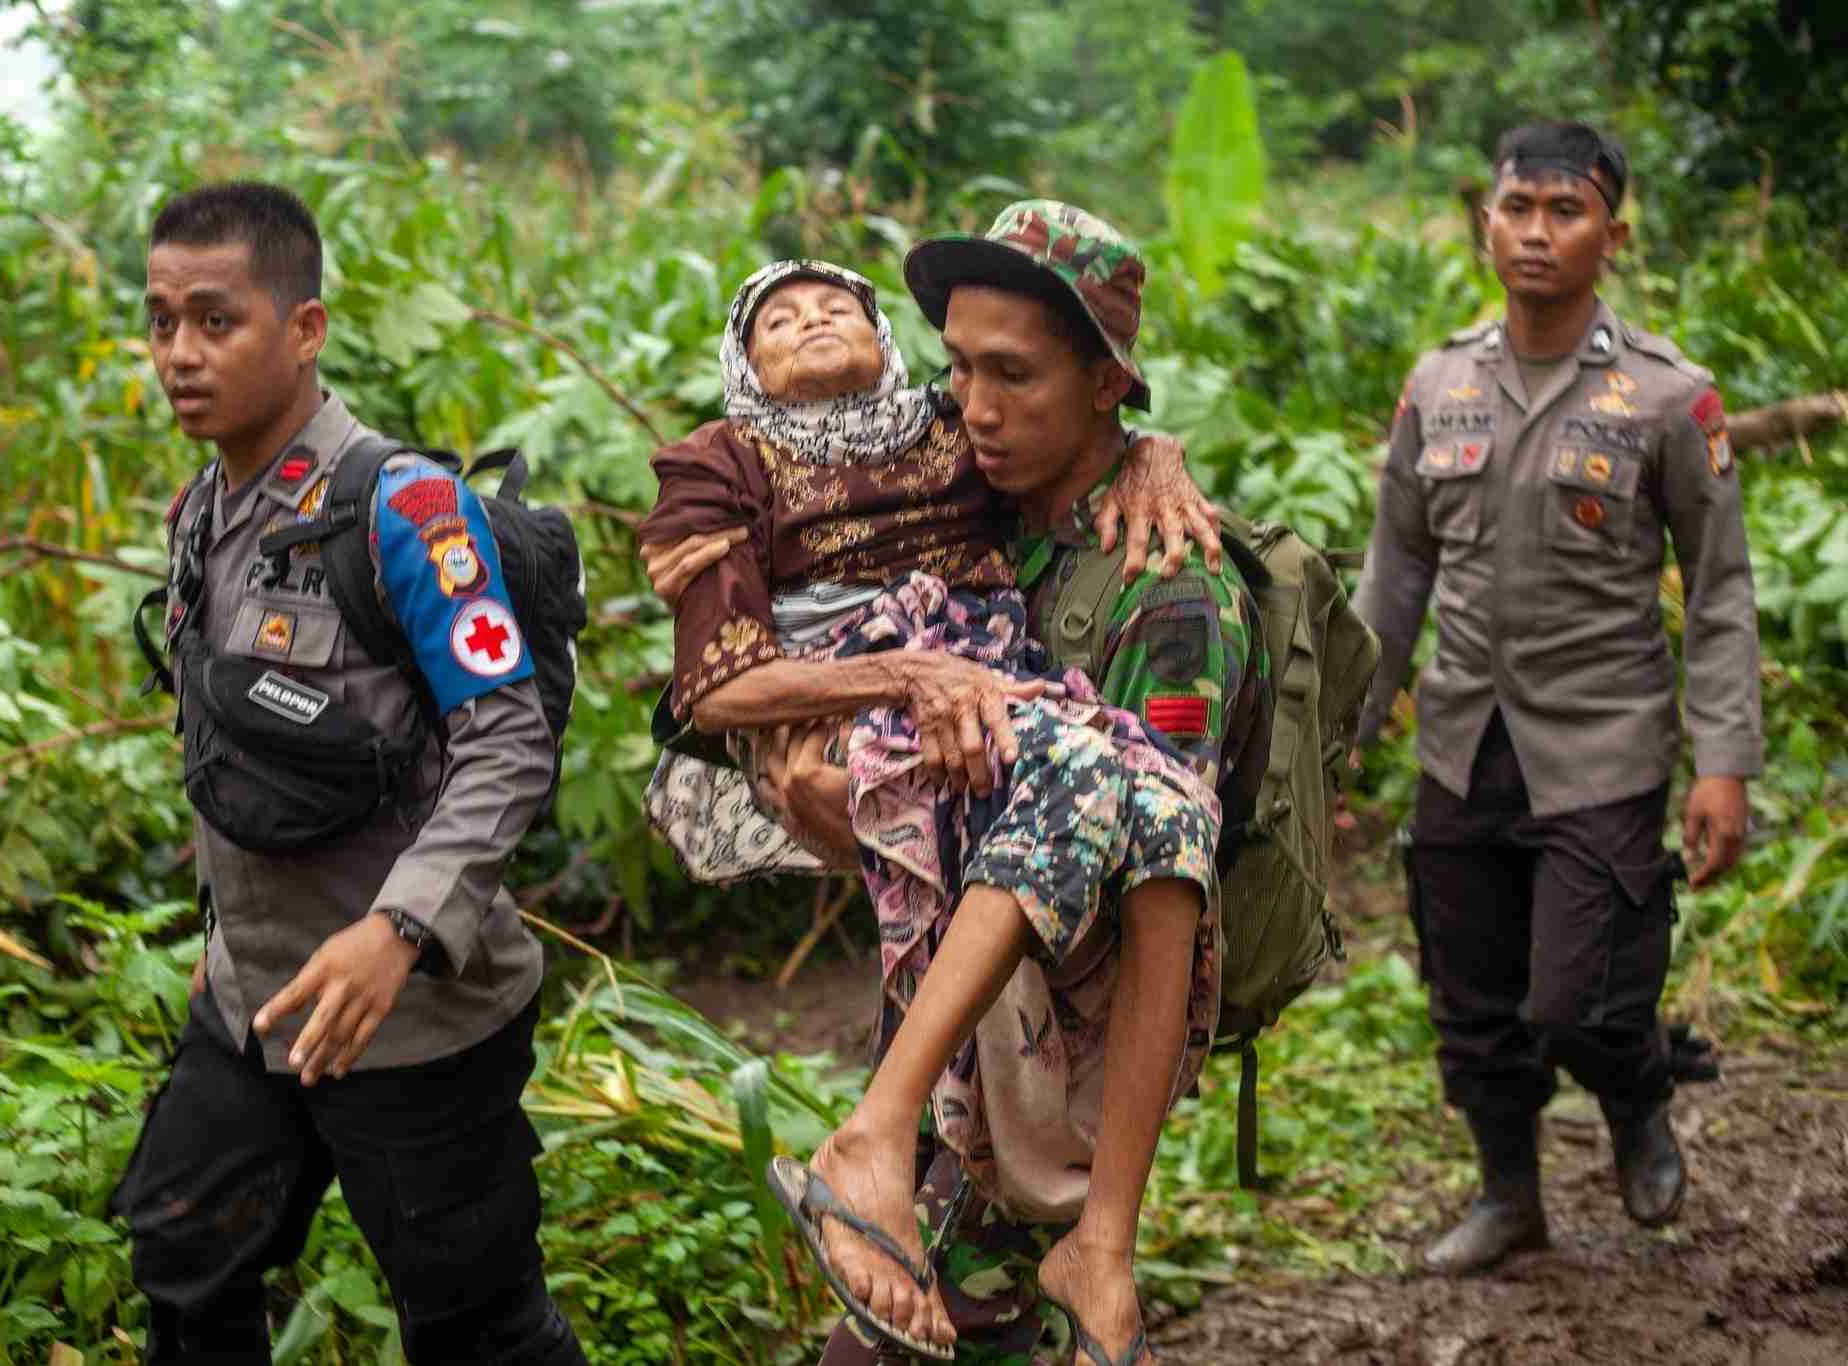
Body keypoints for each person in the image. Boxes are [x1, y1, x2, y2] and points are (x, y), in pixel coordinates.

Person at [646, 204, 1263, 1366]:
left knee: (906, 1345)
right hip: (942, 1032)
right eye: (958, 367)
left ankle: (971, 1197)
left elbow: (1161, 896)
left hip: (1042, 1070)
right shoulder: (975, 514)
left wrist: (1106, 1225)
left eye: (1013, 374)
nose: (972, 408)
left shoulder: (1163, 588)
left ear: (1106, 382)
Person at [111, 182, 588, 1364]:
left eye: (215, 321)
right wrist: (223, 947)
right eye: (162, 319)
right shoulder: (201, 511)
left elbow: (506, 738)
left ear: (306, 328)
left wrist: (401, 930)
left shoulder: (405, 512)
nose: (179, 352)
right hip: (258, 1003)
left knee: (478, 1327)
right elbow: (230, 749)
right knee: (181, 1249)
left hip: (414, 1016)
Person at [1353, 123, 1762, 1277]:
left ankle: (1634, 1097)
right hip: (1460, 738)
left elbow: (1720, 589)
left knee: (1579, 997)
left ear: (1611, 235)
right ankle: (1507, 1196)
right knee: (1470, 999)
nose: (1535, 232)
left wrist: (1722, 760)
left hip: (1603, 743)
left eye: (1563, 211)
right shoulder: (1437, 385)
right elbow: (1393, 576)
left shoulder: (1668, 398)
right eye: (1515, 208)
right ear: (1482, 221)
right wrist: (1335, 733)